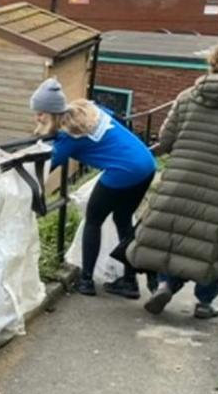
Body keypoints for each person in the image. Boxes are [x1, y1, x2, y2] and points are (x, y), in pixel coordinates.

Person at [128, 43, 218, 319]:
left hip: (179, 178)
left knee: (175, 234)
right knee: (213, 241)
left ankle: (166, 283)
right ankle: (204, 302)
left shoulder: (186, 97)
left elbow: (166, 140)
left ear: (211, 63)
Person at [30, 78, 156, 298]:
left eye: (40, 113)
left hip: (122, 171)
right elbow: (117, 118)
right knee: (123, 220)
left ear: (52, 113)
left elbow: (43, 167)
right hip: (146, 164)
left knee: (93, 219)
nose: (36, 117)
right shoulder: (88, 109)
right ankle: (131, 280)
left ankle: (86, 281)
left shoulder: (69, 137)